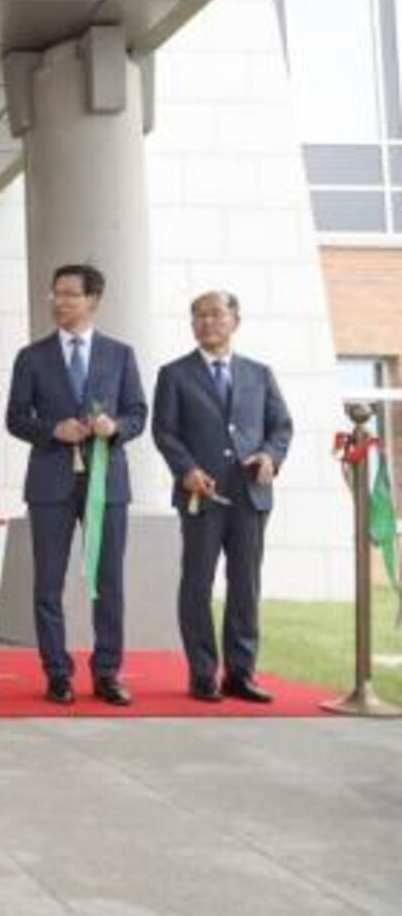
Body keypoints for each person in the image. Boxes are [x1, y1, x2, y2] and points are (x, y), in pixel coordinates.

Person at [6, 263, 148, 706]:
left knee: (110, 581)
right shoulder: (31, 357)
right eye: (55, 293)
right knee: (47, 583)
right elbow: (15, 418)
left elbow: (138, 413)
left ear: (93, 300)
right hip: (50, 482)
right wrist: (53, 430)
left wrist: (113, 427)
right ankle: (57, 673)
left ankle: (107, 672)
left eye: (70, 294)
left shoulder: (120, 354)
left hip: (108, 484)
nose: (59, 301)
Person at [152, 290, 293, 703]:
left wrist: (271, 456)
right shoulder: (174, 374)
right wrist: (187, 470)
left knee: (245, 585)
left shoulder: (259, 373)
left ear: (235, 320)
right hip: (202, 496)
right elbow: (166, 432)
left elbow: (281, 427)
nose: (206, 323)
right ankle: (202, 674)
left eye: (215, 314)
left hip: (250, 495)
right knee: (197, 584)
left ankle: (241, 673)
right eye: (197, 316)